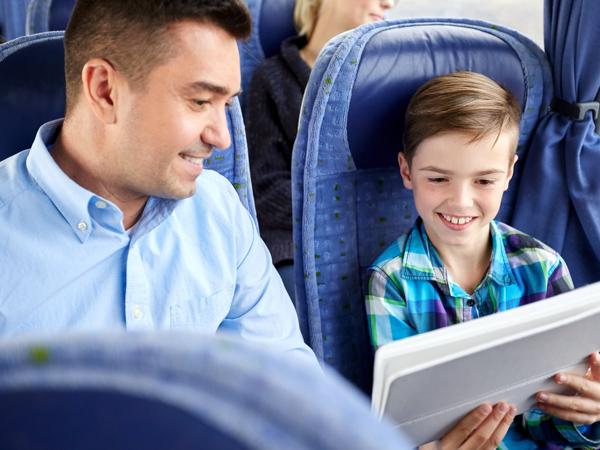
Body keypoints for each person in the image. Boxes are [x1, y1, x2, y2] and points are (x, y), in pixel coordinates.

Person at [0, 0, 316, 366]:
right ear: (105, 90)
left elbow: (288, 381)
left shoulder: (218, 211)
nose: (222, 138)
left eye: (226, 104)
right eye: (200, 101)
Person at [365, 71, 600, 448]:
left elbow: (550, 417)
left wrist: (585, 413)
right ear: (407, 171)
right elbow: (405, 425)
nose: (460, 201)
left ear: (509, 173)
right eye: (438, 179)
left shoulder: (543, 266)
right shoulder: (390, 281)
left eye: (484, 181)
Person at [245, 0, 395, 302]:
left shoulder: (385, 77)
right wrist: (343, 212)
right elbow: (265, 190)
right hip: (297, 242)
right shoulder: (273, 78)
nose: (389, 3)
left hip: (377, 238)